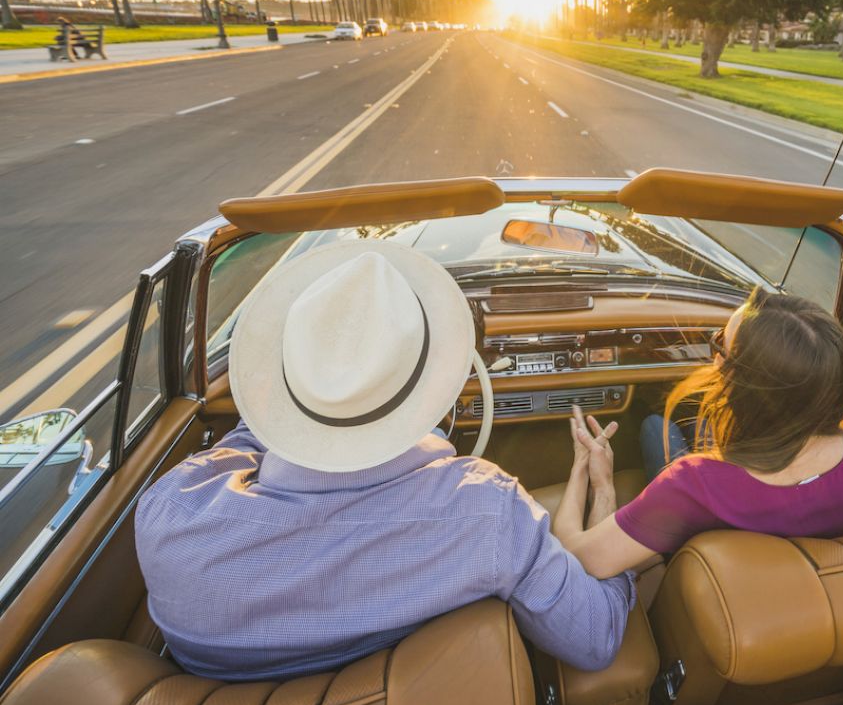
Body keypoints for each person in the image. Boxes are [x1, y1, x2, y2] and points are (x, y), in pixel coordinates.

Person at [135, 240, 636, 681]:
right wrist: (605, 493)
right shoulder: (487, 513)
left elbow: (252, 436)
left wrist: (321, 390)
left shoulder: (168, 515)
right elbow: (596, 639)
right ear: (444, 386)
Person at [552, 289, 843, 578]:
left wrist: (593, 475)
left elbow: (582, 558)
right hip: (786, 591)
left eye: (720, 343)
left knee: (655, 428)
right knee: (675, 428)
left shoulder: (693, 484)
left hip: (695, 582)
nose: (716, 357)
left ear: (744, 384)